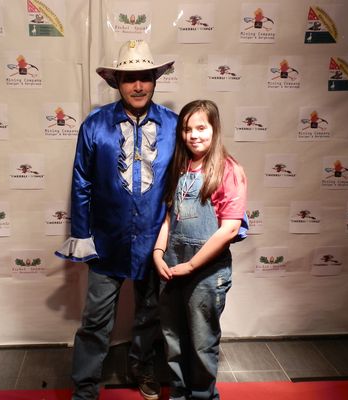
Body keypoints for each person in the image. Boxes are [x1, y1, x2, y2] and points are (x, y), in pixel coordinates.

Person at [55, 40, 178, 400]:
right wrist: (82, 236)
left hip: (155, 242)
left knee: (151, 313)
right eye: (129, 79)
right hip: (106, 241)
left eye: (145, 77)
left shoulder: (174, 126)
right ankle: (85, 388)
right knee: (95, 320)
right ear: (117, 83)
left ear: (155, 80)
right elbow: (81, 183)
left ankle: (141, 366)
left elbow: (183, 183)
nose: (138, 86)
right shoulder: (94, 126)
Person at [152, 100, 248, 400]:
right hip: (172, 265)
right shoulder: (180, 167)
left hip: (205, 272)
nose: (193, 135)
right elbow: (170, 216)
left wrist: (192, 266)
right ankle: (179, 395)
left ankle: (203, 396)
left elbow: (229, 229)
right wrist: (158, 251)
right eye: (187, 129)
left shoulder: (229, 170)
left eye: (201, 128)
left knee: (201, 342)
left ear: (214, 129)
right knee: (173, 338)